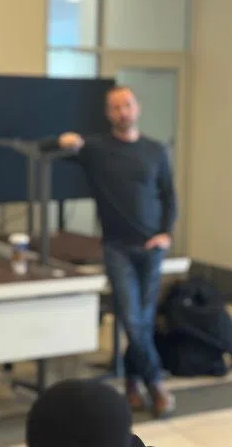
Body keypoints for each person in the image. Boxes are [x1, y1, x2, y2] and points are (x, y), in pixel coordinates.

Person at [45, 85, 178, 418]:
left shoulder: (155, 150)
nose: (123, 112)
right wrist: (62, 140)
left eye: (127, 105)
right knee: (132, 319)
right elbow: (44, 150)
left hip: (151, 248)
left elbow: (169, 195)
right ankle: (156, 384)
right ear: (108, 113)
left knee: (141, 322)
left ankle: (132, 384)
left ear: (137, 108)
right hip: (117, 248)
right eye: (116, 107)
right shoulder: (96, 149)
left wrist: (166, 234)